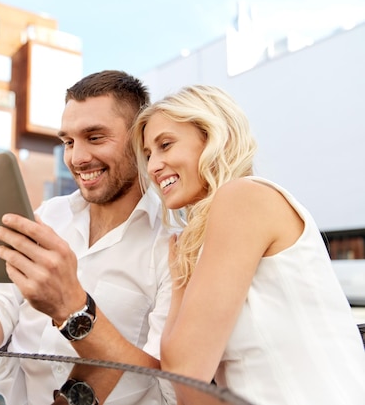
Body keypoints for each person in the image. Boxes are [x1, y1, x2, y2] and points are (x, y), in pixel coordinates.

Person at [130, 84, 365, 405]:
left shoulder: (243, 197)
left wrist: (180, 279)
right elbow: (185, 385)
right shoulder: (208, 232)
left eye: (166, 145)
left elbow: (184, 372)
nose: (154, 165)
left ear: (213, 137)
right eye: (147, 155)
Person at [0, 70, 175, 404]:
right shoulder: (48, 215)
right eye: (68, 142)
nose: (77, 158)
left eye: (94, 137)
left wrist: (73, 305)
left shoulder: (172, 243)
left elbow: (167, 385)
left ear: (140, 139)